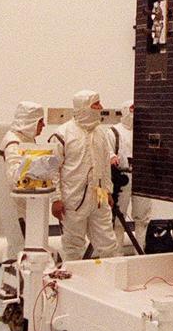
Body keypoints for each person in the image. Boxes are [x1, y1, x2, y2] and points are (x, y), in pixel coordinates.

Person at [48, 89, 116, 260]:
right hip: (72, 199)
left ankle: (105, 275)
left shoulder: (101, 133)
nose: (101, 107)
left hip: (99, 196)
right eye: (96, 104)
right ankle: (75, 275)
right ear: (84, 107)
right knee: (73, 246)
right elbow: (53, 170)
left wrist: (108, 191)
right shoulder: (62, 134)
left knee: (107, 243)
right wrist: (55, 199)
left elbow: (105, 165)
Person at [0, 101, 45, 255]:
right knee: (21, 247)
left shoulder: (25, 139)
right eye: (40, 121)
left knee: (23, 248)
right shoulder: (13, 143)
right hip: (17, 207)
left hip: (27, 205)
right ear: (30, 121)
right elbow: (15, 177)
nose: (43, 125)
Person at [108, 100, 152, 252]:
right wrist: (112, 157)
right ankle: (116, 253)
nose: (134, 113)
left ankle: (140, 251)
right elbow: (107, 151)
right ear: (125, 110)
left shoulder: (146, 132)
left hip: (143, 177)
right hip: (122, 178)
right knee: (118, 217)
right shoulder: (113, 131)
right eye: (132, 109)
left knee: (142, 217)